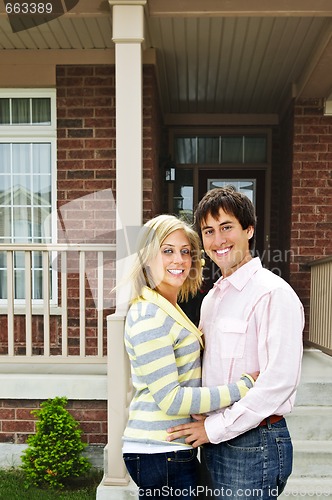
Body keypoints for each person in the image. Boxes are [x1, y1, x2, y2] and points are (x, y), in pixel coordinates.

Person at [167, 187, 304, 499]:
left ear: (249, 230)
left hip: (253, 444)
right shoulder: (213, 298)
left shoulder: (272, 293)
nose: (218, 240)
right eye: (209, 231)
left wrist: (213, 428)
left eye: (227, 227)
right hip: (216, 437)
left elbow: (278, 382)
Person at [122, 214, 258, 500]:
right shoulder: (149, 314)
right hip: (160, 450)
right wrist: (243, 387)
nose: (179, 260)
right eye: (167, 250)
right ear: (147, 257)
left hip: (167, 450)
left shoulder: (167, 308)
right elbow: (170, 398)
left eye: (185, 252)